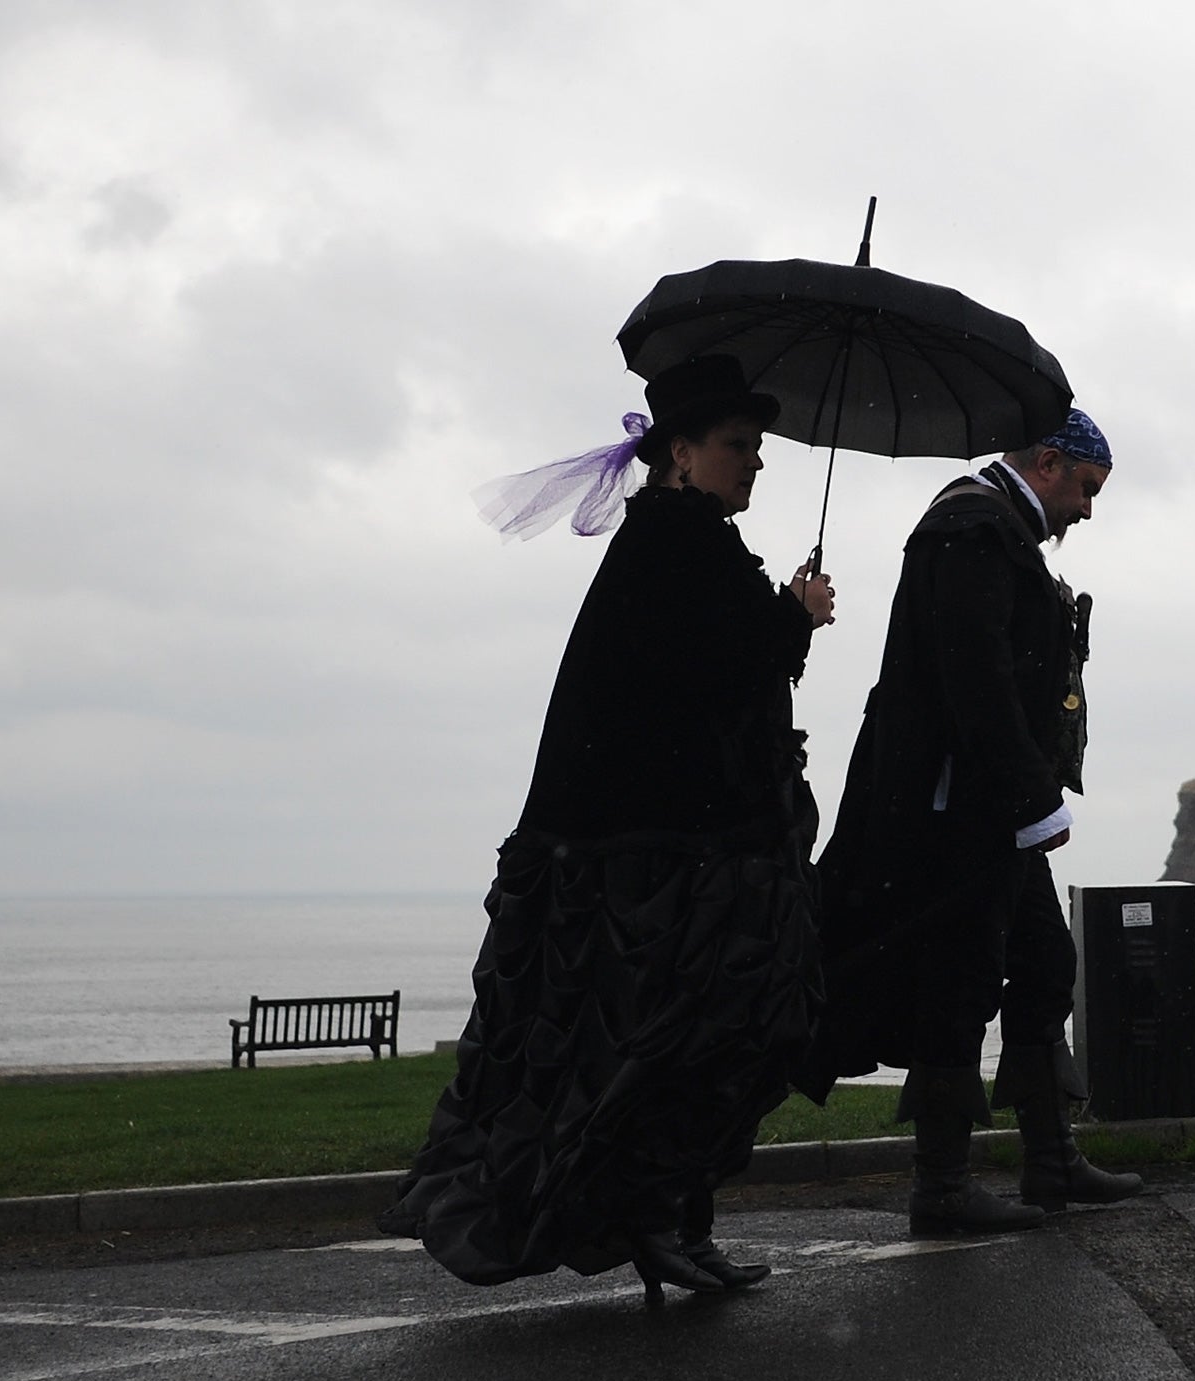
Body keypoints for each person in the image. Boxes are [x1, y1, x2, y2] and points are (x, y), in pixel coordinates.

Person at [379, 354, 836, 1300]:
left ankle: (670, 1222)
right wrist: (795, 617)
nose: (754, 464)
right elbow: (717, 675)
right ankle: (663, 1224)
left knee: (692, 1043)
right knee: (690, 1039)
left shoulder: (684, 538)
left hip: (672, 853)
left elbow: (707, 678)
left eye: (756, 449)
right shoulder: (678, 542)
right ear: (681, 452)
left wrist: (782, 621)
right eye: (737, 447)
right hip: (664, 866)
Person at [811, 409, 1141, 1235]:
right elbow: (976, 680)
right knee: (957, 983)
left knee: (1042, 962)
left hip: (986, 805)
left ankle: (1050, 1160)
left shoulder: (995, 532)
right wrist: (1035, 797)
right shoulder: (971, 528)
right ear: (1052, 462)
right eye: (1088, 490)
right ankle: (943, 1186)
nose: (1088, 512)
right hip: (954, 810)